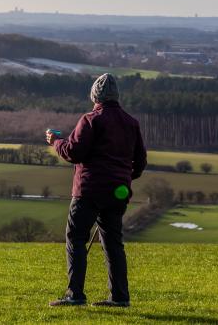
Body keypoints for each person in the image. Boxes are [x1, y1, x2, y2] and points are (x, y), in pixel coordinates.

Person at [46, 73, 147, 307]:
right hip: (117, 192)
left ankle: (75, 294)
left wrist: (55, 142)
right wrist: (123, 178)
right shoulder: (131, 123)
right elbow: (140, 163)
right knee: (113, 242)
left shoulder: (91, 119)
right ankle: (120, 297)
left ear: (95, 96)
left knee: (76, 238)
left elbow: (73, 152)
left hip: (89, 190)